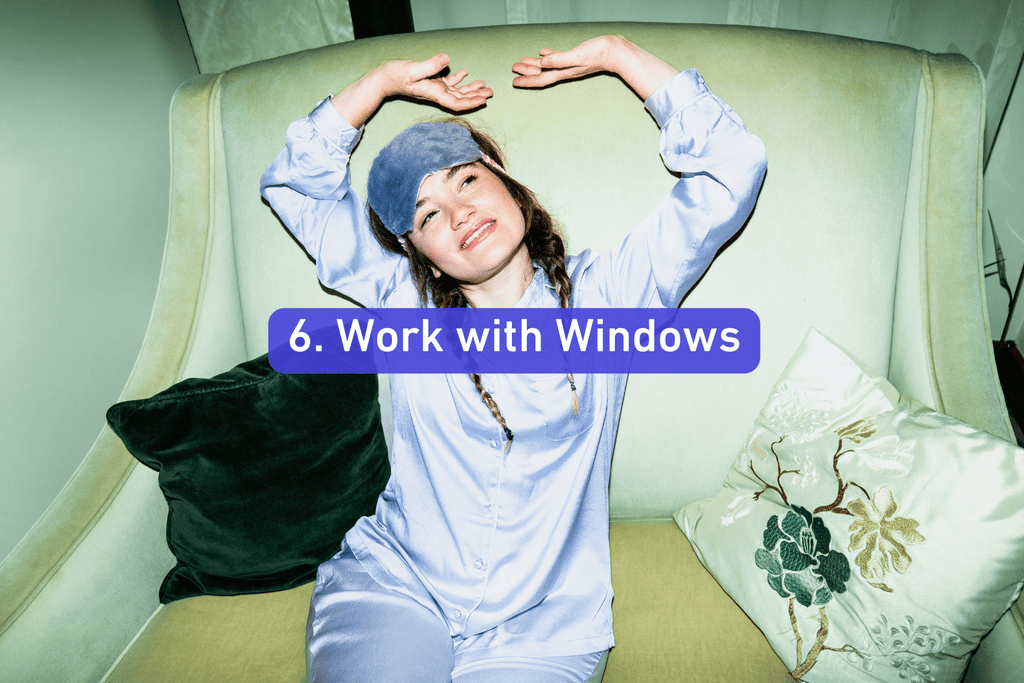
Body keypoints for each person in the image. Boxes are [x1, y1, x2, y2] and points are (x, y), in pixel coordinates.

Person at [261, 34, 766, 683]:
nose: (460, 210)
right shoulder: (401, 301)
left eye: (467, 179)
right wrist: (381, 82)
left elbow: (734, 163)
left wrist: (619, 56)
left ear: (509, 186)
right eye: (427, 214)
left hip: (542, 631)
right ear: (420, 252)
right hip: (395, 590)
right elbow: (295, 186)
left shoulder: (608, 299)